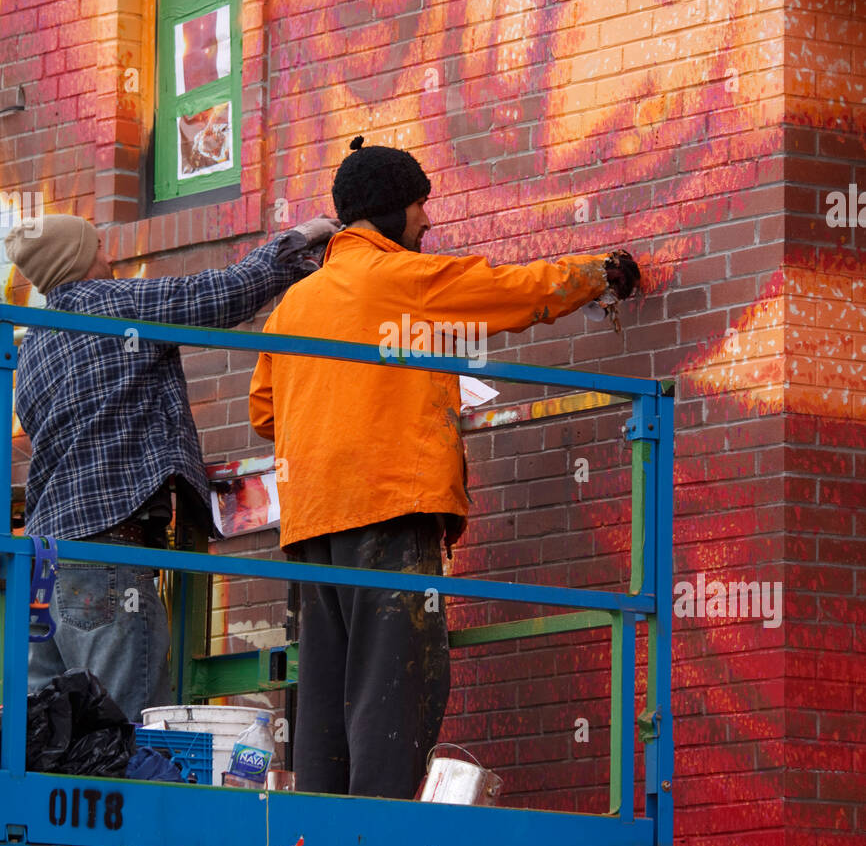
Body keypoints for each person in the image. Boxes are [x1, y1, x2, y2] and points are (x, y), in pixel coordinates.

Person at [249, 134, 640, 799]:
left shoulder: (296, 304)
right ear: (390, 210)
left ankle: (317, 833)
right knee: (393, 682)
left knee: (324, 686)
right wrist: (599, 274)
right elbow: (509, 292)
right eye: (421, 206)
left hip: (311, 519)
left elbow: (266, 409)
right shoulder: (404, 279)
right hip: (391, 504)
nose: (428, 221)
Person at [5, 210, 339, 723]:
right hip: (107, 555)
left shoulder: (34, 349)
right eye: (97, 246)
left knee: (58, 736)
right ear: (75, 259)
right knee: (130, 725)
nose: (109, 256)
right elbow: (222, 294)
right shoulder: (114, 305)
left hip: (47, 567)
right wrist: (299, 242)